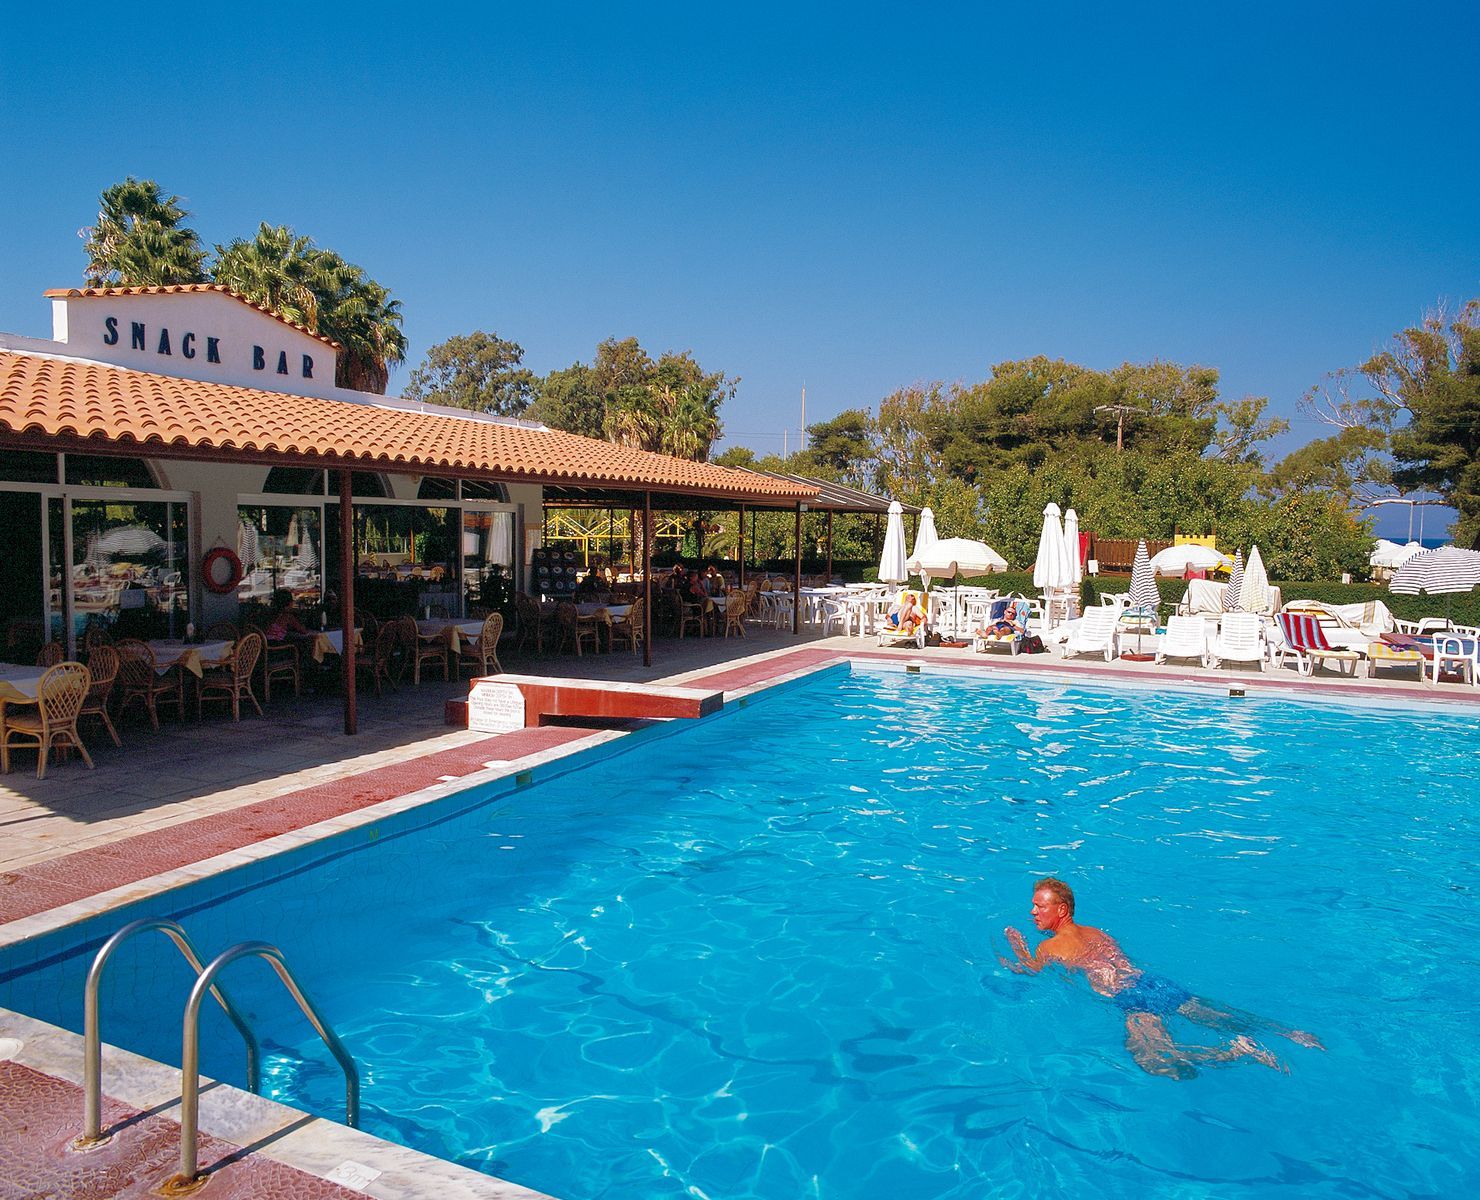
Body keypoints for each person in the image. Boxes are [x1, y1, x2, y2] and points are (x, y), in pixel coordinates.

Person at [1003, 878, 1323, 1079]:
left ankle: (1237, 1052)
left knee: (1157, 1063)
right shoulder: (1097, 932)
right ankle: (1292, 1033)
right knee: (1226, 1017)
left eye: (1039, 906)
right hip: (1155, 983)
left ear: (1061, 910)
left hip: (1132, 999)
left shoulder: (1049, 946)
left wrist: (1018, 948)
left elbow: (1031, 972)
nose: (1033, 912)